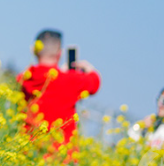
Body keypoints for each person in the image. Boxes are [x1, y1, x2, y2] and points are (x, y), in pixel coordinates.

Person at [17, 29, 101, 158]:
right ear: (59, 54)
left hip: (29, 154)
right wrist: (87, 67)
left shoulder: (24, 79)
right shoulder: (71, 80)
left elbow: (39, 78)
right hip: (62, 157)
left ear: (34, 50)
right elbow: (95, 82)